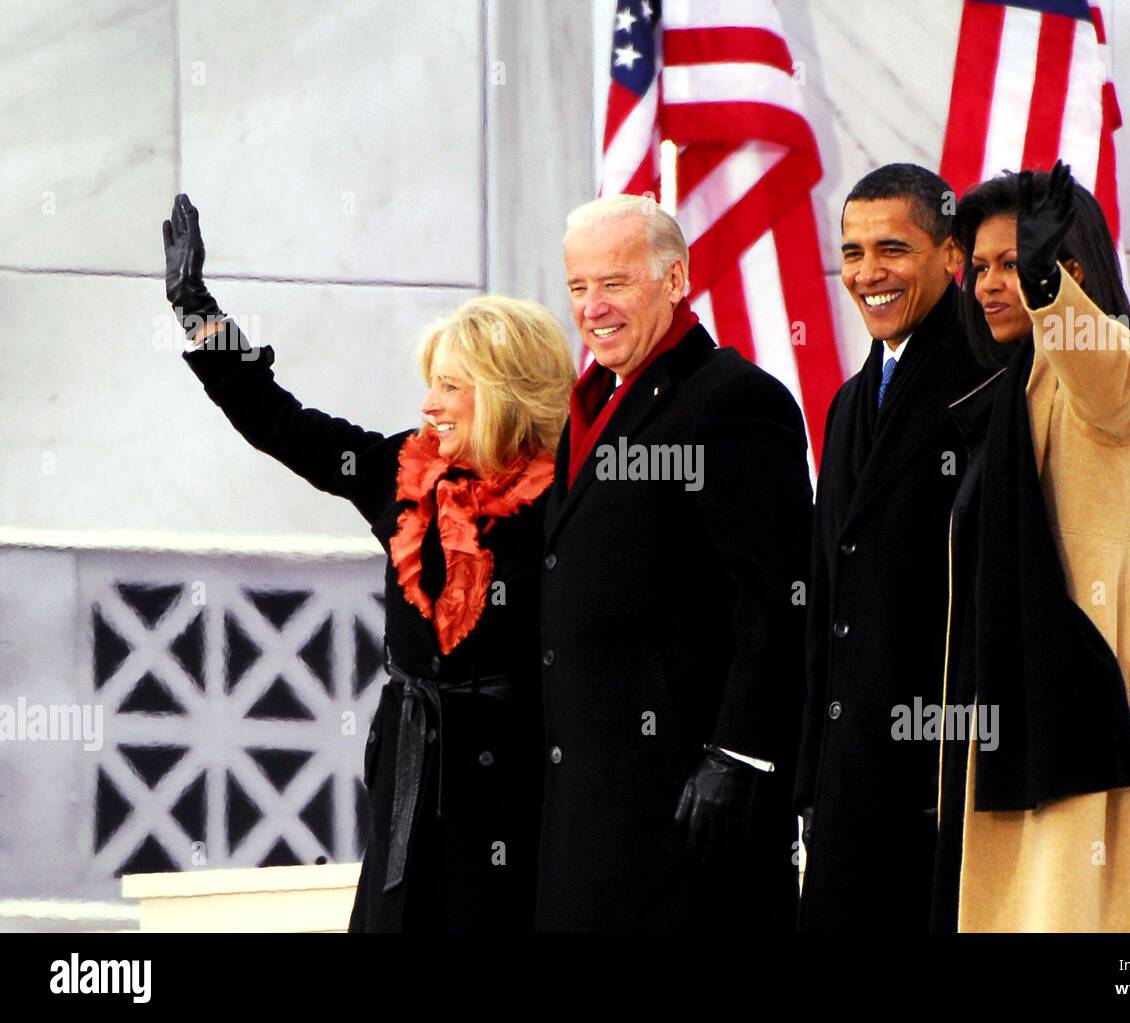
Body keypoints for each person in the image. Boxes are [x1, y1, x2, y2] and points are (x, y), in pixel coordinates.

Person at [162, 193, 575, 932]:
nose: (430, 403)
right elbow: (281, 421)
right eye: (433, 383)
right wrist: (200, 316)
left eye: (452, 386)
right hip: (409, 763)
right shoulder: (398, 472)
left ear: (509, 395)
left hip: (515, 777)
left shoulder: (569, 500)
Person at [932, 162, 1130, 931]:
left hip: (1099, 683)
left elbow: (1100, 370)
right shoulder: (1012, 388)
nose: (990, 283)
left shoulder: (1114, 364)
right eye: (983, 267)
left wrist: (1048, 294)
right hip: (1025, 691)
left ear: (1065, 271)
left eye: (1013, 264)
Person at [535, 194, 811, 932]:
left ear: (677, 279)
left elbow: (778, 596)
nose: (592, 307)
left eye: (615, 283)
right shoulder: (590, 405)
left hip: (686, 809)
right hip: (589, 804)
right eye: (577, 287)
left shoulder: (733, 401)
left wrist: (740, 755)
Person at [794, 164, 987, 932]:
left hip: (941, 781)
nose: (868, 273)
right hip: (847, 784)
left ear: (950, 257)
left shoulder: (990, 381)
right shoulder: (846, 402)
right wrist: (809, 776)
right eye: (852, 252)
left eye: (892, 249)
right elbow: (824, 596)